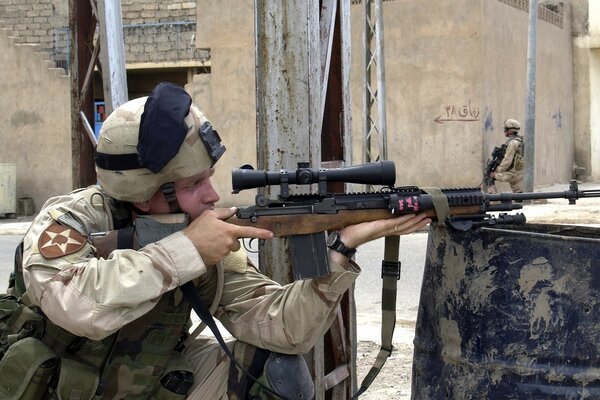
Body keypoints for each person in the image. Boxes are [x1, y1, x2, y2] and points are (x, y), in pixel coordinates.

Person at [1, 82, 430, 399]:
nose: (211, 195)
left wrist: (343, 250)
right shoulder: (70, 219)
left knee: (274, 370)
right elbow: (76, 305)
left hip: (149, 380)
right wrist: (187, 251)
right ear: (146, 192)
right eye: (193, 184)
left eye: (209, 178)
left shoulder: (198, 232)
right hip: (55, 386)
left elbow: (283, 328)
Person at [487, 118, 525, 194]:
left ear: (510, 130)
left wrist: (497, 171)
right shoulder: (521, 141)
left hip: (513, 174)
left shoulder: (512, 143)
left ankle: (494, 199)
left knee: (489, 177)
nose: (504, 131)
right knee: (515, 185)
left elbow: (507, 160)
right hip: (520, 173)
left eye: (505, 129)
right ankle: (518, 196)